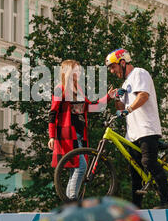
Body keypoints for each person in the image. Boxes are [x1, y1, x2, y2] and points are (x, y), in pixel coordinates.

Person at [105, 48, 168, 209]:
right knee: (135, 171)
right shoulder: (126, 83)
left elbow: (143, 96)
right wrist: (116, 99)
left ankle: (167, 201)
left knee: (148, 162)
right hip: (133, 133)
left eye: (113, 67)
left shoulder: (139, 74)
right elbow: (120, 107)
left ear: (122, 62)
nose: (112, 71)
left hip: (147, 128)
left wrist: (128, 109)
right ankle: (136, 207)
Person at [48, 60, 117, 201]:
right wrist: (51, 136)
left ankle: (70, 201)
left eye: (79, 70)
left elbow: (92, 107)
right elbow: (52, 113)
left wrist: (108, 97)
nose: (79, 73)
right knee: (81, 167)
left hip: (79, 136)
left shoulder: (78, 89)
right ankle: (73, 199)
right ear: (68, 72)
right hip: (67, 135)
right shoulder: (60, 89)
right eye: (76, 70)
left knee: (76, 169)